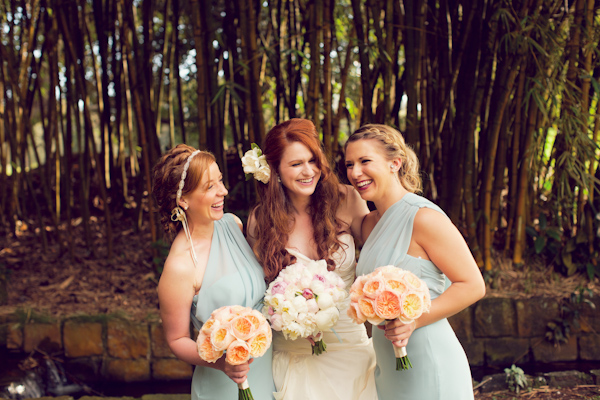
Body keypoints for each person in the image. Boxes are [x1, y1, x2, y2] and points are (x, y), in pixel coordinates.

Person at [344, 124, 486, 400]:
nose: (355, 173)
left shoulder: (423, 217)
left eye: (365, 161)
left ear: (395, 163)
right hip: (387, 363)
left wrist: (414, 321)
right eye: (349, 164)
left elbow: (472, 285)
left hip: (428, 356)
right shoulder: (369, 224)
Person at [246, 118, 378, 400]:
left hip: (352, 352)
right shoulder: (260, 221)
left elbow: (380, 252)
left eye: (313, 160)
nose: (308, 171)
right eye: (296, 164)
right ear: (275, 171)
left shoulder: (348, 200)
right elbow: (257, 293)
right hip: (294, 357)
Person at [153, 144, 275, 400]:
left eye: (220, 180)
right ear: (182, 200)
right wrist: (223, 363)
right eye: (210, 186)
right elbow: (176, 340)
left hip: (269, 370)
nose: (224, 191)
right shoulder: (180, 267)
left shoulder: (233, 224)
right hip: (224, 383)